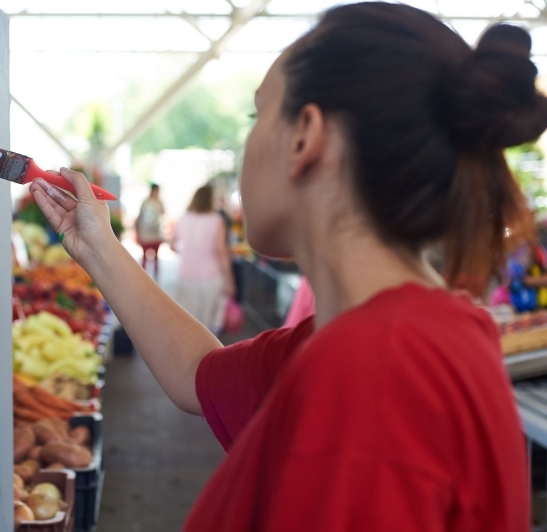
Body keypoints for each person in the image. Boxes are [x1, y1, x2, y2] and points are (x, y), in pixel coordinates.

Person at [29, 4, 546, 530]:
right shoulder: (391, 343)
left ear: (305, 137)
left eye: (257, 116)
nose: (248, 144)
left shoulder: (373, 376)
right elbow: (197, 375)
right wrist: (96, 244)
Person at [171, 184, 236, 332]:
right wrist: (230, 281)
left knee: (186, 322)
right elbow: (221, 251)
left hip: (186, 275)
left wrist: (187, 253)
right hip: (211, 276)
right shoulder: (216, 220)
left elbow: (172, 245)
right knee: (207, 326)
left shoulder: (183, 219)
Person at [135, 183, 164, 276]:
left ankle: (155, 274)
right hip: (146, 232)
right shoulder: (146, 202)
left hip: (155, 232)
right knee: (145, 256)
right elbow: (140, 217)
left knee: (156, 257)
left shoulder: (159, 202)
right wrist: (138, 232)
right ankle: (143, 275)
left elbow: (163, 212)